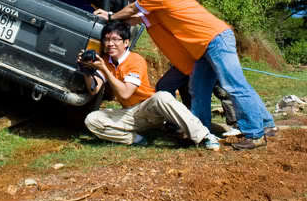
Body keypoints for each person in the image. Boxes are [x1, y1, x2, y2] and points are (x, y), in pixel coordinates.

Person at [95, 0, 276, 150]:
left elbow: (131, 9)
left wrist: (110, 16)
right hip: (205, 46)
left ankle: (255, 133)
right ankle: (201, 131)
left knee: (234, 86)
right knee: (198, 89)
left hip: (214, 41)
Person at [115, 0, 240, 136]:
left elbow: (132, 4)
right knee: (170, 87)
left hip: (197, 53)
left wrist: (111, 13)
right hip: (183, 61)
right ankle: (187, 123)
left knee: (221, 87)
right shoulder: (150, 1)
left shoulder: (155, 0)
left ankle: (236, 123)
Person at [79, 21, 220, 150]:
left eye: (115, 39)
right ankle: (135, 139)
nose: (110, 44)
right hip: (129, 113)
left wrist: (104, 70)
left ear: (126, 42)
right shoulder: (106, 62)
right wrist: (86, 71)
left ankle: (204, 136)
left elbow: (125, 94)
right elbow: (94, 89)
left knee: (162, 96)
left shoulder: (135, 60)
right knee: (92, 119)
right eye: (107, 39)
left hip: (149, 109)